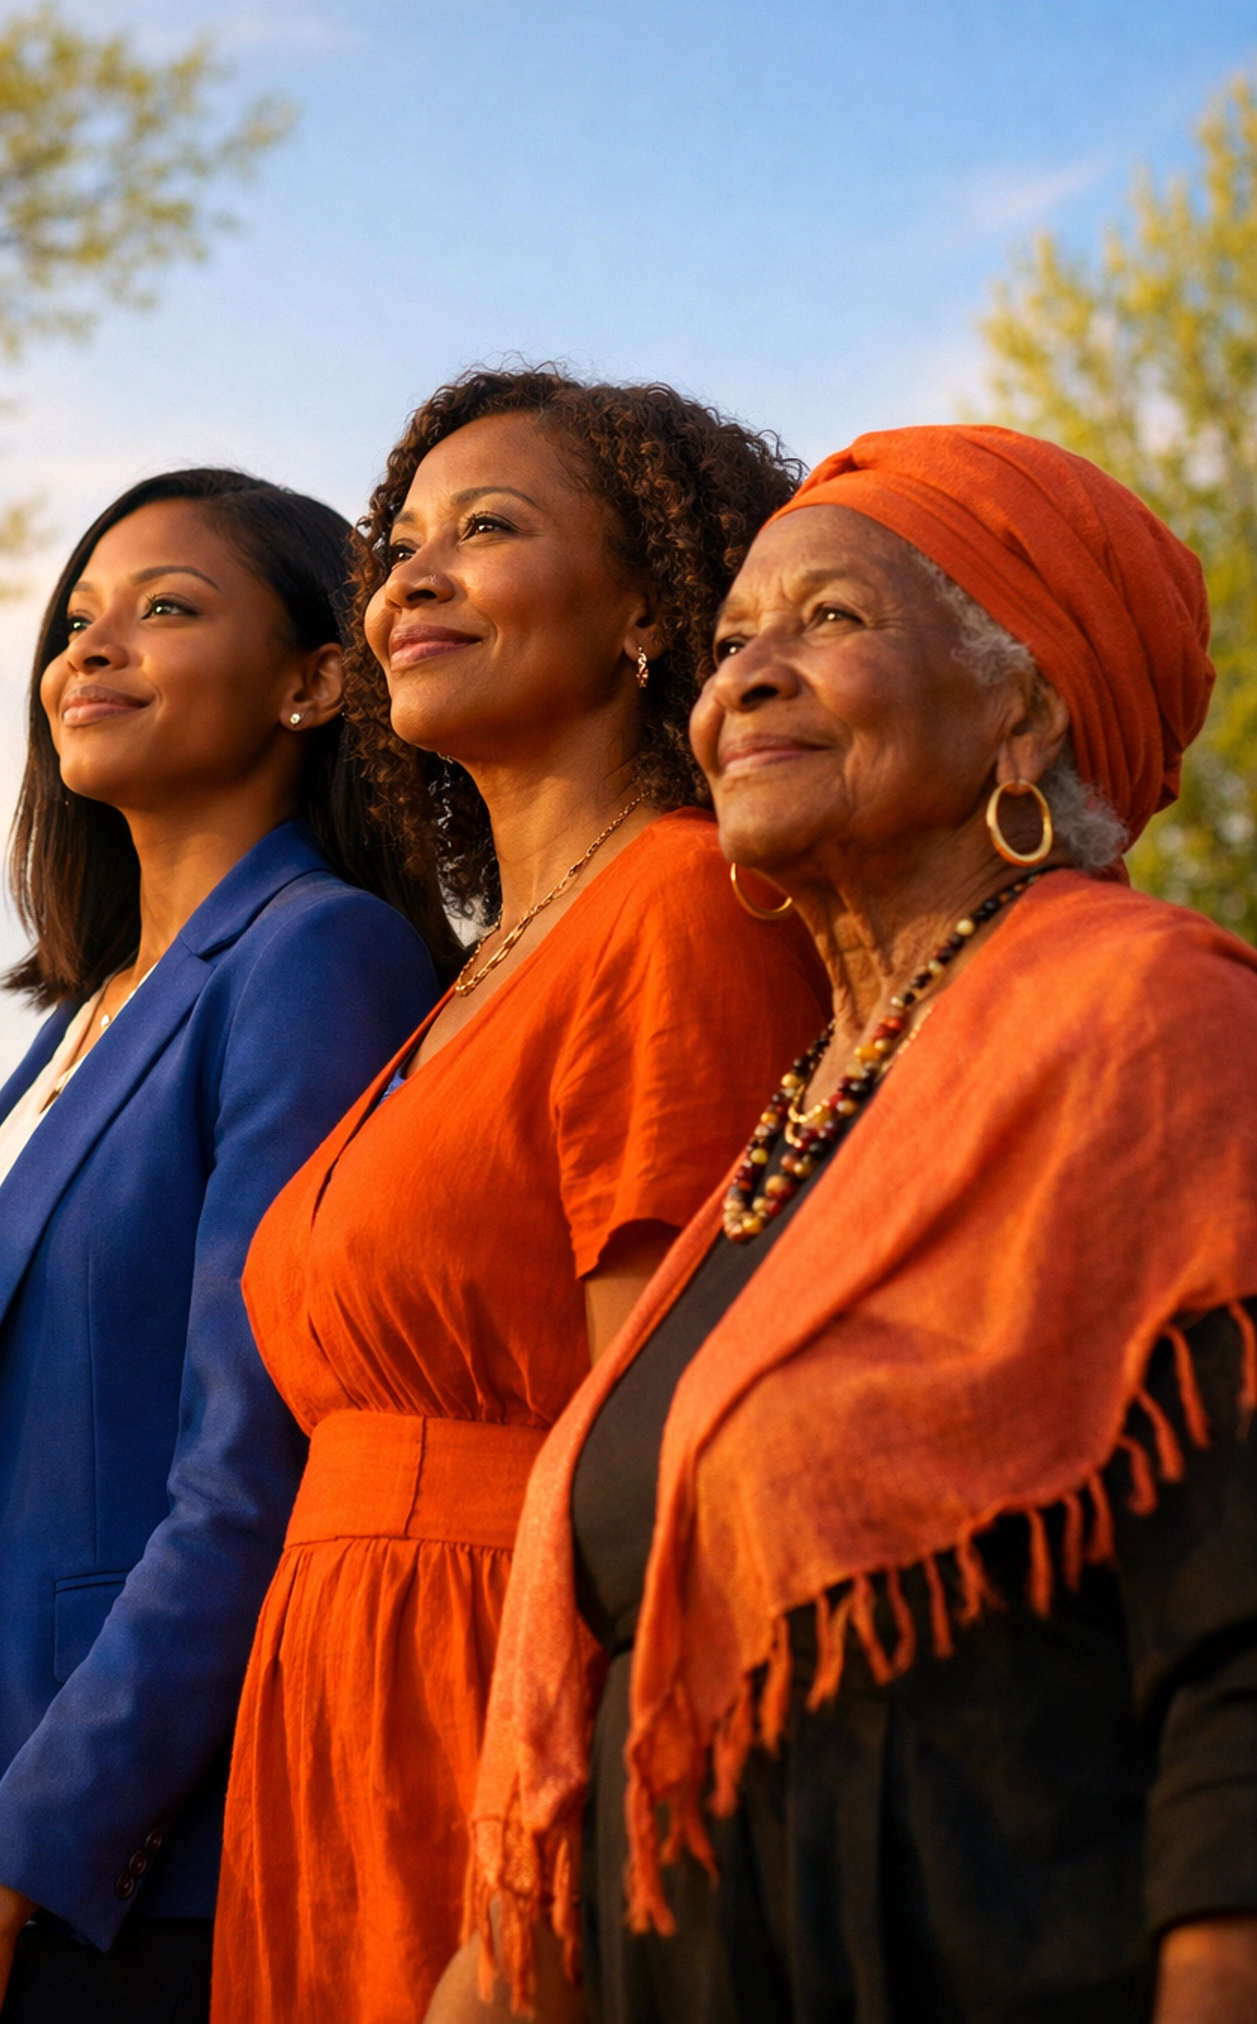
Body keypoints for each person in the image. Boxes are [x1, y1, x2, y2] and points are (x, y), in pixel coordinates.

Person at [455, 424, 1257, 2024]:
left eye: (832, 622)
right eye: (737, 639)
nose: (744, 678)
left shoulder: (1153, 1026)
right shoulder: (806, 1115)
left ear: (1019, 715)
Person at [208, 366, 830, 2024]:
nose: (412, 573)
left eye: (487, 530)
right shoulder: (468, 972)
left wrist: (539, 1881)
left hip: (495, 1703)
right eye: (399, 542)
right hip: (334, 1702)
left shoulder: (685, 910)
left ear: (649, 608)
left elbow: (673, 1474)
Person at [0, 469, 447, 2024]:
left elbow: (249, 1472)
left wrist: (9, 1881)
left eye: (164, 609)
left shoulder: (319, 957)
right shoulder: (75, 1020)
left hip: (141, 1867)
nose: (87, 650)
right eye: (76, 619)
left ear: (318, 681)